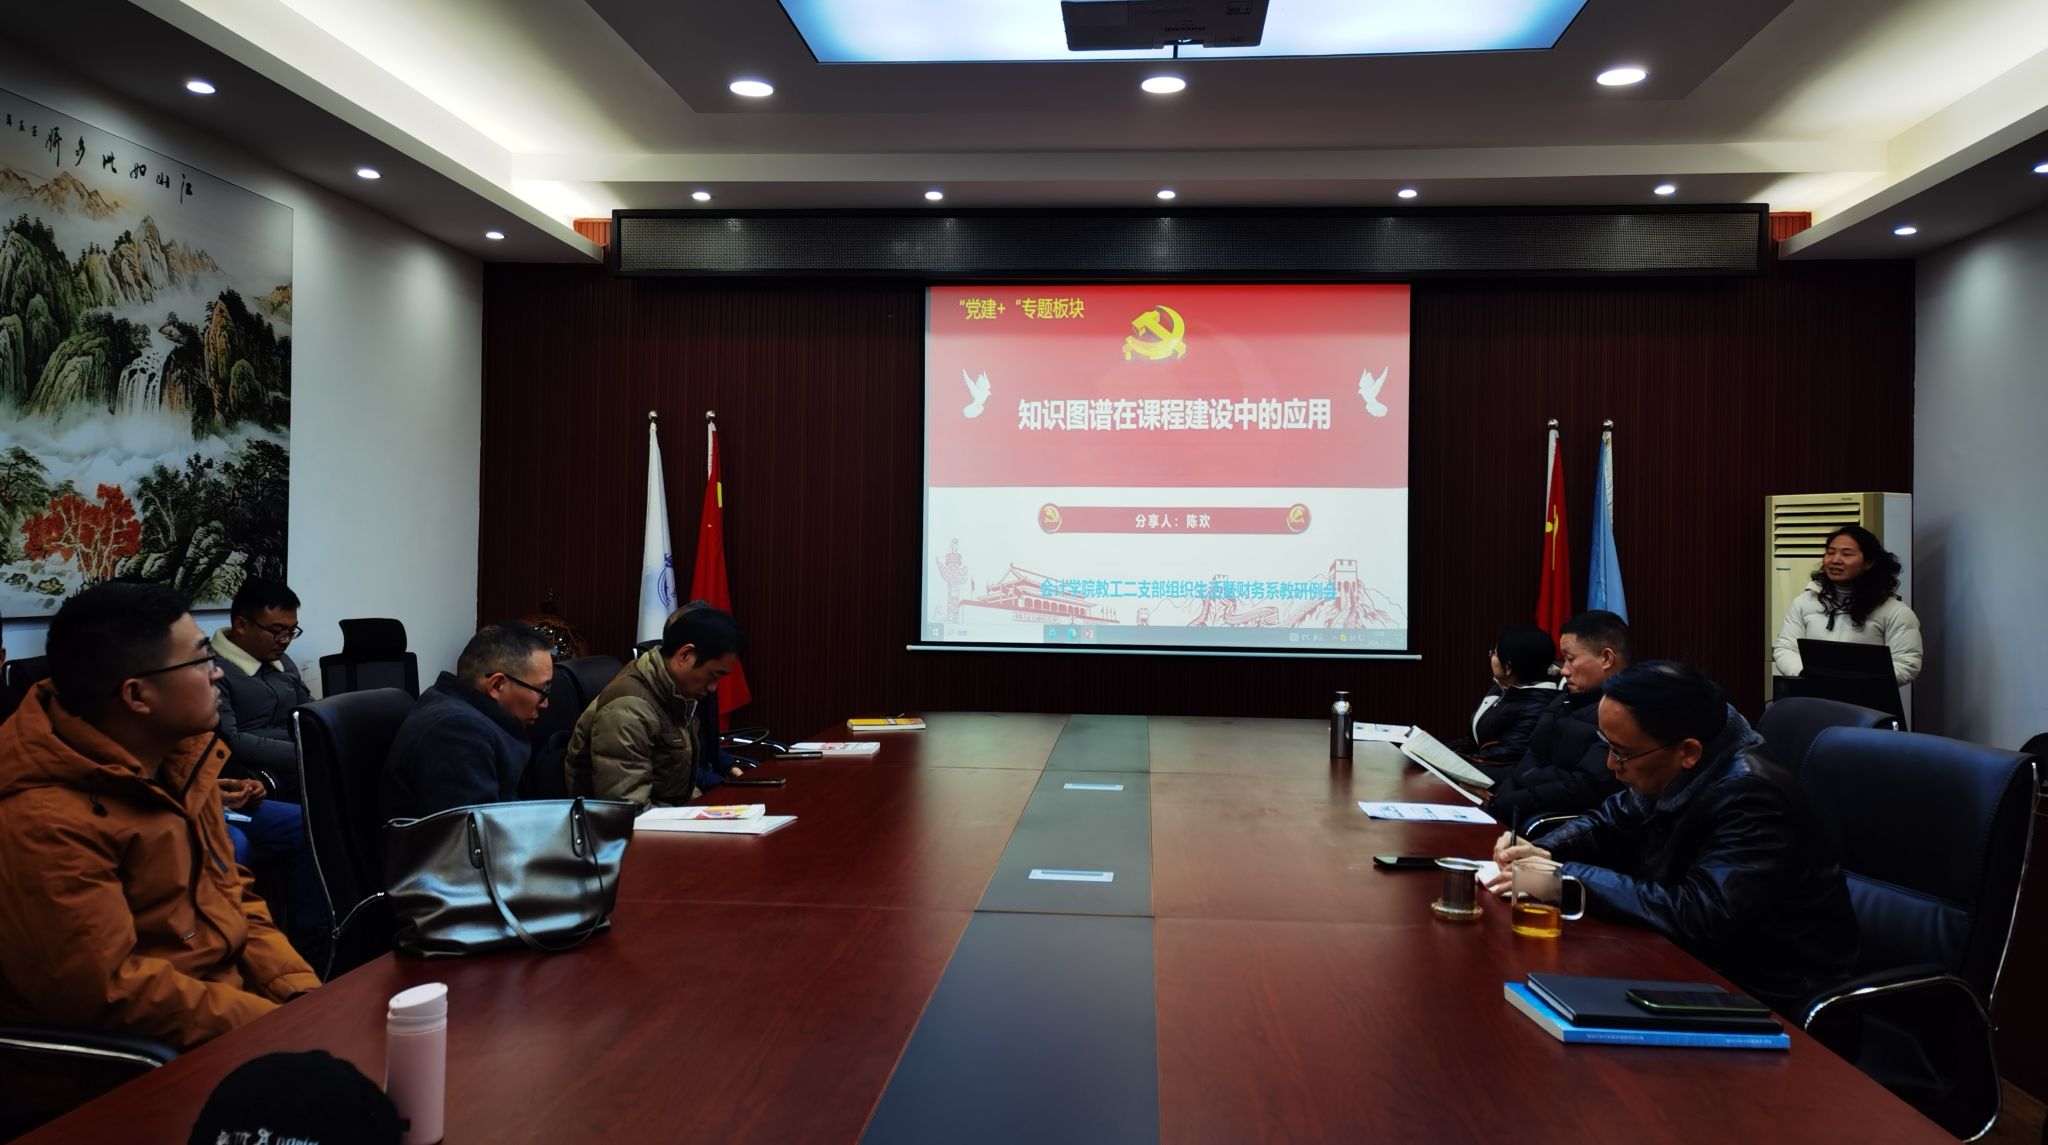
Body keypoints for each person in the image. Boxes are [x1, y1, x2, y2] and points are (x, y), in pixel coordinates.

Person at [0, 581, 318, 1048]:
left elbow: (233, 898)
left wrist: (298, 994)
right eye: (202, 660)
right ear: (137, 695)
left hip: (227, 1017)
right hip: (145, 1063)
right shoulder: (43, 821)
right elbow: (110, 992)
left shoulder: (180, 765)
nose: (217, 674)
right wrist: (272, 1024)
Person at [1487, 660, 1858, 1012]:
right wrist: (1543, 852)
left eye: (1621, 753)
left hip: (1764, 991)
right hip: (1689, 961)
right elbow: (1612, 820)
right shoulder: (1683, 758)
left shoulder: (1752, 796)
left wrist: (1567, 879)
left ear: (1688, 752)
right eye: (1607, 746)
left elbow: (1701, 915)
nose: (1611, 765)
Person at [565, 605, 746, 807]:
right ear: (685, 654)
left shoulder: (673, 693)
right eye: (713, 675)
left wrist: (709, 811)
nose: (713, 688)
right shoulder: (629, 710)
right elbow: (628, 812)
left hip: (666, 818)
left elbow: (678, 787)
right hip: (632, 825)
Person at [382, 621, 553, 821]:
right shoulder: (456, 733)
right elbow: (472, 833)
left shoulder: (459, 709)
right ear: (497, 685)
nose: (545, 703)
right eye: (541, 691)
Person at [1480, 610, 1629, 826]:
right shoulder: (1562, 700)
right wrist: (1497, 798)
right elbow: (1529, 760)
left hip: (1550, 826)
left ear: (1606, 658)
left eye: (1570, 659)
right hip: (1513, 810)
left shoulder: (1623, 713)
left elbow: (1584, 787)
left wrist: (1501, 804)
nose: (1563, 671)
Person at [1773, 524, 1923, 685]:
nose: (1835, 560)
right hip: (1813, 694)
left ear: (1868, 562)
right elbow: (1786, 649)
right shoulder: (1804, 602)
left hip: (1866, 697)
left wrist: (1857, 683)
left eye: (1847, 554)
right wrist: (1808, 675)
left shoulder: (1895, 611)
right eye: (1830, 552)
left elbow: (1906, 663)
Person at [211, 577, 313, 798]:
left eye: (291, 631)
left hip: (302, 762)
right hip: (258, 773)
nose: (285, 640)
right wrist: (304, 753)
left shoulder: (282, 661)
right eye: (277, 631)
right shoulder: (212, 671)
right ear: (241, 625)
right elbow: (230, 740)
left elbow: (308, 712)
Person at [1448, 622, 1557, 763]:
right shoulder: (1502, 688)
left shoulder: (1538, 706)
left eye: (1494, 653)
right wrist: (1439, 752)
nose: (1490, 656)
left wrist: (1452, 762)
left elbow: (1506, 756)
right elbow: (1474, 741)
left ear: (1508, 667)